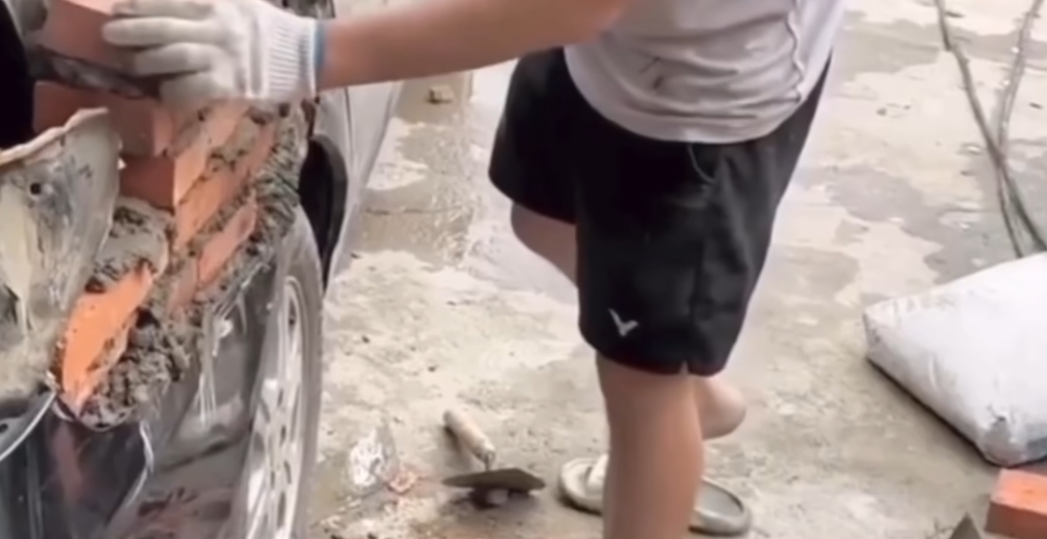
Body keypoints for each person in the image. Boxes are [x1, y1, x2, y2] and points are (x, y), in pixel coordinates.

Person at [100, 0, 844, 537]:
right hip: (620, 54)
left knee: (641, 387)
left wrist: (309, 52)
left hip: (698, 101)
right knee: (542, 218)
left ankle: (667, 400)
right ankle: (687, 384)